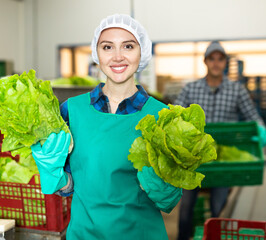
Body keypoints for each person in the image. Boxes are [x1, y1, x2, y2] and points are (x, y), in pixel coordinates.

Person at [30, 14, 182, 239]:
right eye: (107, 47)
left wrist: (162, 186)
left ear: (142, 53)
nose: (118, 56)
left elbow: (169, 201)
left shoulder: (162, 116)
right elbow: (68, 187)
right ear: (96, 53)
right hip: (85, 233)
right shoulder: (71, 111)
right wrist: (54, 173)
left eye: (128, 46)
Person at [175, 41, 266, 240]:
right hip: (194, 160)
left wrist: (260, 129)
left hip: (223, 162)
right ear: (205, 61)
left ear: (225, 62)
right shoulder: (190, 89)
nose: (216, 63)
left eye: (220, 59)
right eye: (212, 58)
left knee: (220, 213)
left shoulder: (237, 90)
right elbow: (176, 114)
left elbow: (252, 115)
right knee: (185, 212)